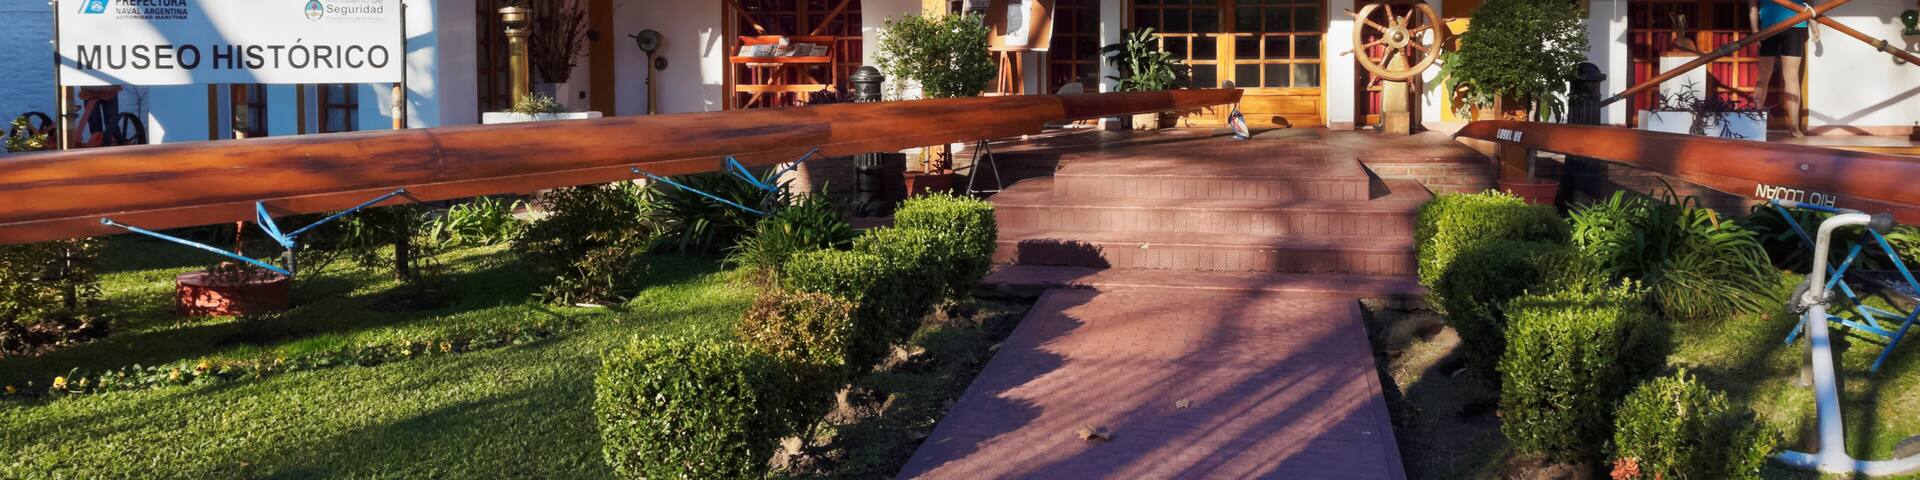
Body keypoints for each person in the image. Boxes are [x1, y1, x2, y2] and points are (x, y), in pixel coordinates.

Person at [1752, 0, 1821, 137]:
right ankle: (1755, 123)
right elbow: (1752, 5)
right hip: (1768, 27)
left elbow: (1809, 4)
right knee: (1763, 76)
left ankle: (1794, 126)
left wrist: (1814, 26)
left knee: (1791, 77)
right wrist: (1754, 30)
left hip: (1796, 25)